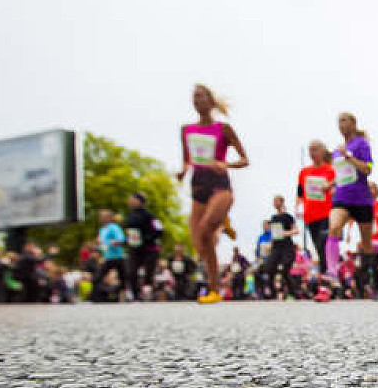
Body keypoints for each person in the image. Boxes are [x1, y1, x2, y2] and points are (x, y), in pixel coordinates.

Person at [176, 83, 249, 304]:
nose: (196, 100)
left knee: (206, 228)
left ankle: (219, 222)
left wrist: (226, 164)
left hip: (220, 186)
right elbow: (187, 160)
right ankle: (214, 290)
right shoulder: (186, 130)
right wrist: (182, 171)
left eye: (201, 96)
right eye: (194, 97)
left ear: (210, 101)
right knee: (201, 245)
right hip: (198, 188)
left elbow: (245, 160)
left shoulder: (223, 129)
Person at [326, 112, 375, 296]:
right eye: (338, 121)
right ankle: (332, 272)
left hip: (361, 198)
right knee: (334, 227)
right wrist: (330, 185)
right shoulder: (336, 151)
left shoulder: (362, 144)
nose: (341, 125)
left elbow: (368, 169)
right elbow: (341, 175)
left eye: (344, 120)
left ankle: (367, 280)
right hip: (342, 198)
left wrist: (350, 158)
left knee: (366, 244)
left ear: (354, 123)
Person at [296, 140, 336, 274]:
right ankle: (328, 276)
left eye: (315, 149)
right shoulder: (304, 172)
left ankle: (327, 276)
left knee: (323, 245)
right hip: (310, 216)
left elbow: (338, 189)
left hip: (327, 215)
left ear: (323, 151)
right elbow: (300, 193)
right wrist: (298, 208)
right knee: (319, 249)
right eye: (310, 150)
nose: (312, 153)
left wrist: (331, 189)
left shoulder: (331, 170)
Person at [125, 192, 164, 301]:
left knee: (149, 272)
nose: (130, 202)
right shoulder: (129, 216)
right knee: (131, 271)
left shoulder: (150, 216)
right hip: (134, 248)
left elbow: (159, 230)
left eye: (132, 199)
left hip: (149, 249)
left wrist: (147, 238)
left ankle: (148, 293)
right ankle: (135, 294)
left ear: (140, 201)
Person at [264, 195, 298, 299]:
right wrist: (270, 244)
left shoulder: (288, 217)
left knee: (285, 270)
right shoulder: (273, 218)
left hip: (287, 247)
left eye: (276, 201)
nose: (274, 203)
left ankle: (293, 293)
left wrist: (285, 233)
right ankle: (273, 293)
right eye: (273, 201)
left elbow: (296, 230)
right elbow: (273, 234)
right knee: (269, 268)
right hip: (276, 247)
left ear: (281, 202)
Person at [92, 210, 126, 302]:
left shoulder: (114, 227)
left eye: (102, 217)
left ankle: (121, 296)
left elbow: (121, 240)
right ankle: (96, 297)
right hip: (108, 257)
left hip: (118, 257)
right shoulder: (102, 229)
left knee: (123, 278)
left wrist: (109, 243)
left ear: (109, 218)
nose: (100, 219)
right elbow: (101, 244)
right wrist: (97, 245)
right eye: (100, 217)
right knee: (98, 277)